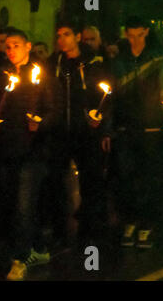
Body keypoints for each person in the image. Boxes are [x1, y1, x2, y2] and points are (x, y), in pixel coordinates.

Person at [0, 28, 58, 281]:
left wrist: (39, 122)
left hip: (33, 151)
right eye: (7, 46)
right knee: (13, 205)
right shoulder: (2, 74)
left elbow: (53, 110)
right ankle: (38, 248)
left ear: (28, 46)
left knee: (23, 206)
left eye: (16, 45)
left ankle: (20, 259)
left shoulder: (41, 75)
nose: (11, 50)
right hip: (8, 149)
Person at [46, 19, 112, 250]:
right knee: (55, 181)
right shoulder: (54, 63)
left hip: (86, 131)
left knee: (90, 181)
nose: (61, 39)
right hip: (60, 132)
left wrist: (99, 117)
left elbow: (106, 94)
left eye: (66, 34)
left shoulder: (94, 61)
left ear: (76, 37)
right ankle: (59, 230)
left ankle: (90, 230)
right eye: (58, 35)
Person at [111, 16, 163, 249]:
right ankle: (130, 221)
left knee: (149, 177)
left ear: (146, 32)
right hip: (126, 128)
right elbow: (113, 95)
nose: (134, 40)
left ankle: (146, 224)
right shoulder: (120, 60)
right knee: (126, 178)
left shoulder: (158, 58)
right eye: (130, 35)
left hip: (151, 126)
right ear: (126, 35)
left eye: (139, 35)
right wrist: (108, 128)